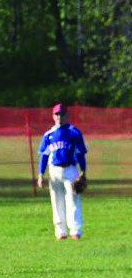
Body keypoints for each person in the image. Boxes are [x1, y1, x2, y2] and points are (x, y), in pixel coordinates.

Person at [37, 103, 87, 240]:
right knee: (56, 201)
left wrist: (83, 172)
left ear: (67, 115)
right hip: (54, 172)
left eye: (62, 114)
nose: (59, 116)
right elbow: (44, 156)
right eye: (57, 114)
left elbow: (81, 153)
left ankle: (75, 231)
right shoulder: (48, 135)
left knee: (73, 200)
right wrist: (40, 175)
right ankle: (60, 232)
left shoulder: (74, 132)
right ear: (53, 116)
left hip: (70, 169)